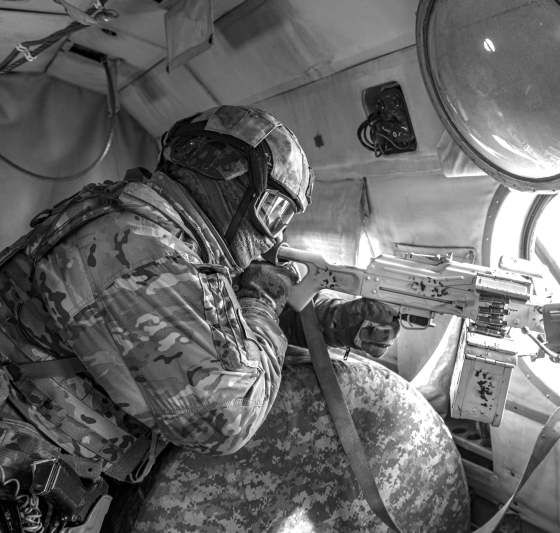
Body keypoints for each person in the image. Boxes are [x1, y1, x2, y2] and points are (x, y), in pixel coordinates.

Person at [0, 105, 399, 528]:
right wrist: (263, 300)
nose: (277, 235)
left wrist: (333, 321)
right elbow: (226, 417)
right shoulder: (139, 249)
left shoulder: (164, 235)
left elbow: (217, 321)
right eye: (275, 211)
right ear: (224, 179)